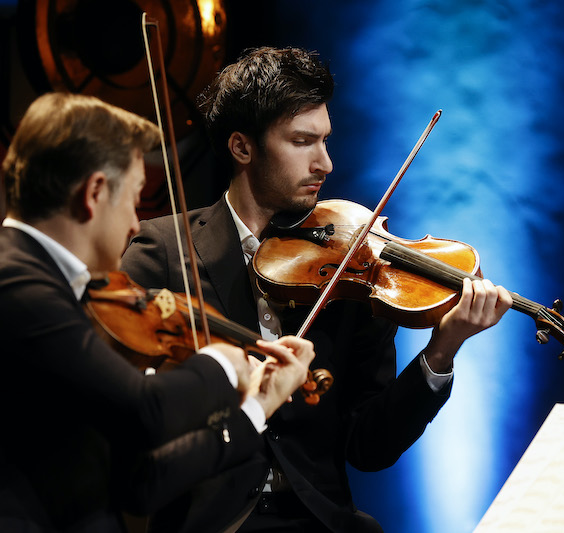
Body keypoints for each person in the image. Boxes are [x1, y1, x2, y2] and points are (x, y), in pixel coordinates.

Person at [121, 46, 513, 532]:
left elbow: (368, 447)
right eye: (303, 141)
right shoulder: (162, 248)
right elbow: (126, 409)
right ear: (242, 148)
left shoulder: (351, 264)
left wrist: (442, 349)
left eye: (326, 140)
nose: (325, 163)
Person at [0, 91, 315, 533]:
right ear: (94, 193)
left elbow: (140, 483)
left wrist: (258, 406)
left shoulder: (48, 287)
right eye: (134, 198)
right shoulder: (12, 286)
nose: (132, 223)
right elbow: (145, 412)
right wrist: (225, 363)